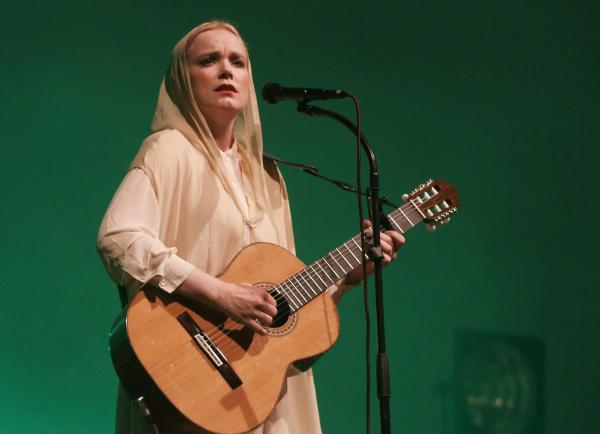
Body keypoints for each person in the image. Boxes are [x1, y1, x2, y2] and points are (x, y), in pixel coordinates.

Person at [97, 20, 405, 434]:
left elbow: (280, 298)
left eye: (238, 62)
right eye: (209, 60)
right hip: (192, 378)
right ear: (182, 80)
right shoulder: (168, 150)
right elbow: (119, 239)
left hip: (258, 385)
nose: (227, 70)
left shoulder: (268, 175)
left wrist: (349, 277)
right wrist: (222, 294)